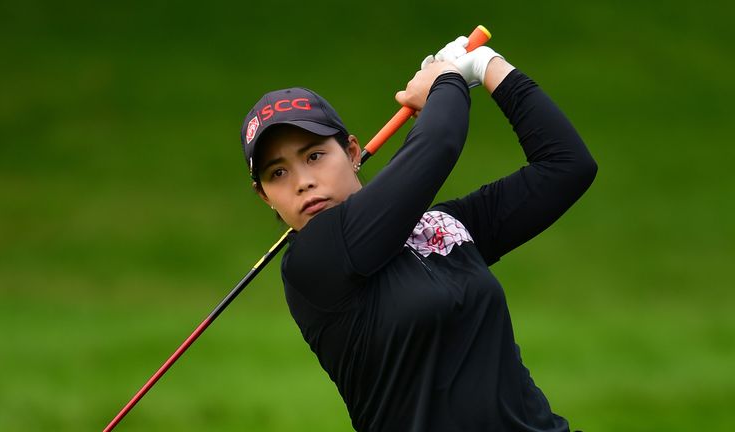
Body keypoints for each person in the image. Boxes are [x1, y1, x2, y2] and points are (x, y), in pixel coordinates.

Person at [239, 36, 597, 432]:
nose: (303, 182)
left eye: (314, 155)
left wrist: (487, 66)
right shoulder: (313, 261)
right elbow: (438, 143)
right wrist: (446, 81)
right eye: (278, 173)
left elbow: (567, 166)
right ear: (264, 196)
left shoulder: (440, 228)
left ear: (354, 153)